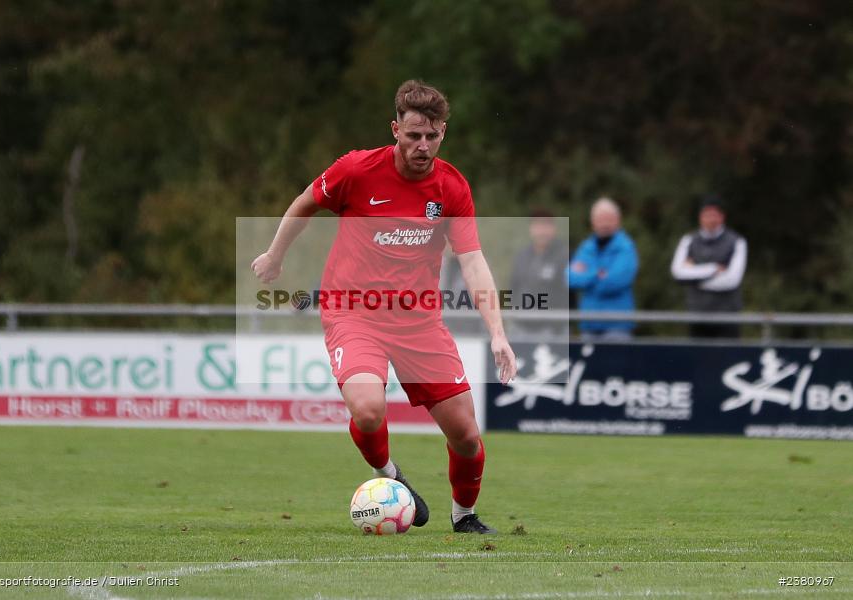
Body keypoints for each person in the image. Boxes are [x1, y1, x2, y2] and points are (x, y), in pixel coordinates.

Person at [251, 80, 516, 534]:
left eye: (432, 136)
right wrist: (276, 255)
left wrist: (497, 333)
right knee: (370, 409)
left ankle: (464, 517)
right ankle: (390, 476)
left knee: (467, 435)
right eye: (413, 135)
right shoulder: (356, 170)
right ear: (396, 129)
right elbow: (304, 204)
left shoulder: (451, 188)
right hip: (354, 313)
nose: (423, 145)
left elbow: (472, 261)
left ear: (443, 134)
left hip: (419, 322)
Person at [670, 195, 747, 338]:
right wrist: (713, 269)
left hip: (727, 317)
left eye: (715, 215)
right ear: (700, 217)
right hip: (697, 315)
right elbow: (678, 273)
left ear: (722, 217)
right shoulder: (689, 240)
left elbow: (731, 280)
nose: (711, 220)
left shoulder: (737, 241)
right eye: (707, 215)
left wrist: (693, 277)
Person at [567, 197, 638, 339]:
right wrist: (597, 274)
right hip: (589, 325)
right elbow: (570, 278)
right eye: (600, 219)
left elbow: (617, 281)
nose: (604, 224)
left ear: (618, 220)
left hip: (617, 326)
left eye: (608, 219)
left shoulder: (626, 247)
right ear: (593, 222)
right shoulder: (586, 247)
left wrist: (587, 276)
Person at [509, 209, 569, 337]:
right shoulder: (522, 256)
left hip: (552, 330)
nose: (542, 231)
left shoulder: (563, 256)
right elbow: (513, 287)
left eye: (546, 225)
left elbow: (566, 293)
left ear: (553, 229)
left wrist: (557, 325)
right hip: (520, 328)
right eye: (538, 225)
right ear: (531, 229)